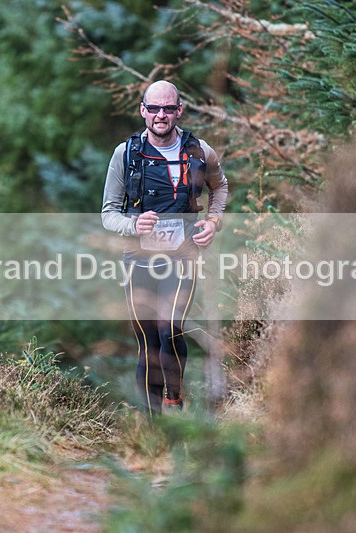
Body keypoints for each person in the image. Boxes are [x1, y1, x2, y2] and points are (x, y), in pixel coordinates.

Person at [101, 80, 228, 416]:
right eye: (154, 108)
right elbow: (108, 213)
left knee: (169, 327)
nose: (161, 115)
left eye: (168, 108)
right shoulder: (125, 154)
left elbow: (221, 187)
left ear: (179, 111)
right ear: (143, 110)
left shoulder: (200, 150)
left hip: (182, 257)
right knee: (148, 341)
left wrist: (213, 223)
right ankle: (153, 422)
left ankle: (174, 397)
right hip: (138, 260)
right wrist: (133, 224)